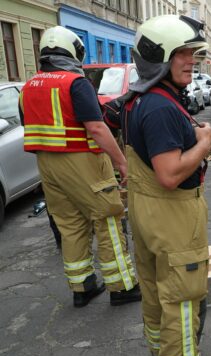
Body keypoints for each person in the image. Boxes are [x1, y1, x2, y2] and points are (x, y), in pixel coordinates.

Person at [19, 26, 140, 308]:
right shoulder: (75, 83)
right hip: (82, 160)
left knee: (70, 224)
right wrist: (121, 162)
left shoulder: (28, 87)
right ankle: (122, 286)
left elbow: (32, 127)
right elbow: (97, 127)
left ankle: (82, 287)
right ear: (72, 50)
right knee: (107, 218)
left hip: (47, 166)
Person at [125, 15, 211, 356]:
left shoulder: (141, 98)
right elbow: (169, 174)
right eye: (182, 52)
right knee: (181, 298)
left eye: (193, 52)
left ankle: (159, 352)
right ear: (159, 56)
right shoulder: (162, 107)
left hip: (148, 214)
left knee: (154, 290)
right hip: (173, 217)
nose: (192, 60)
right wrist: (204, 142)